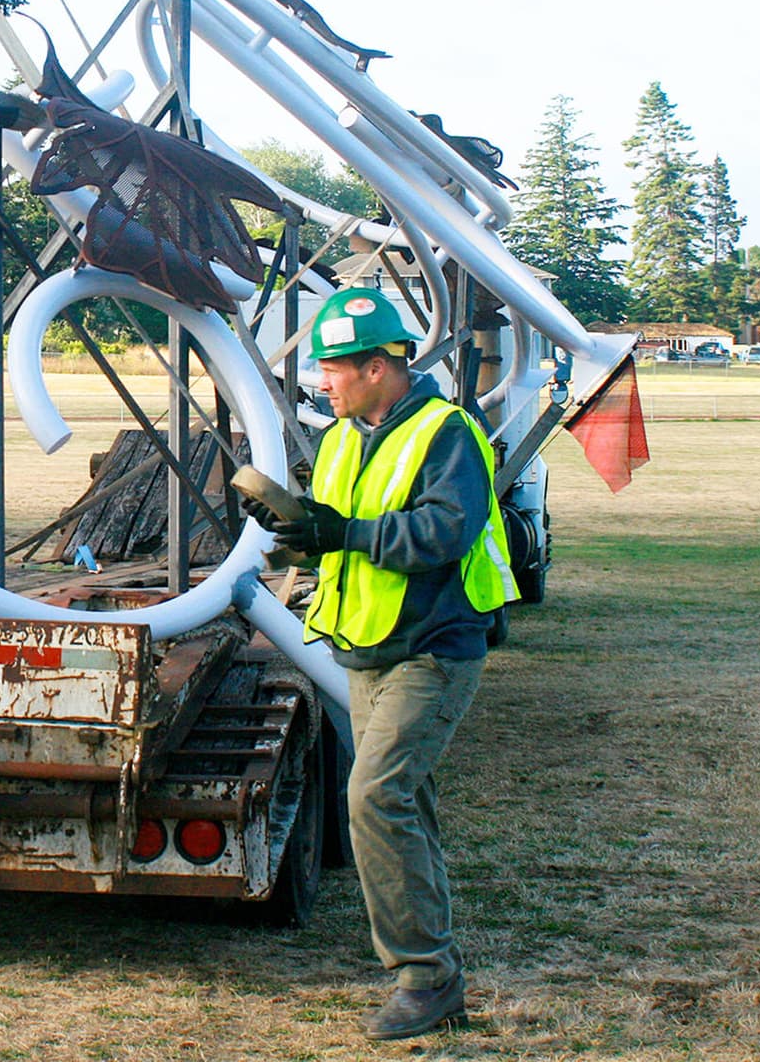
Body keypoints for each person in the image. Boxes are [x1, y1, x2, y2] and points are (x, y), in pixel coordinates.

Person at [247, 286, 514, 1041]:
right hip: (366, 648)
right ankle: (436, 975)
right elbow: (338, 528)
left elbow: (442, 533)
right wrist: (298, 530)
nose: (321, 381)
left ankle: (426, 980)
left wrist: (347, 533)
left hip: (434, 648)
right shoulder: (339, 437)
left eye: (331, 368)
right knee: (402, 802)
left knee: (375, 797)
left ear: (375, 366)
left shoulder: (447, 432)